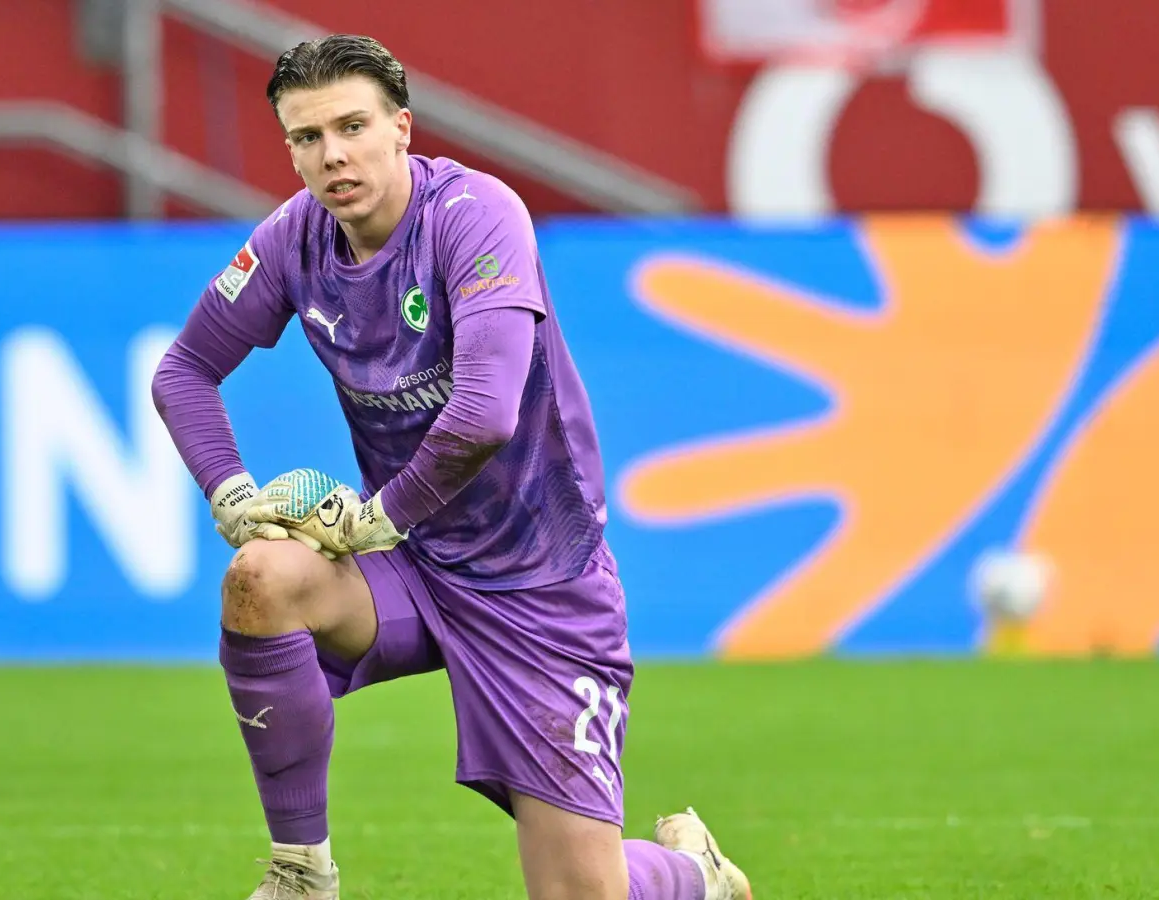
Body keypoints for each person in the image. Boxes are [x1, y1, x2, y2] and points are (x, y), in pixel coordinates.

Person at [151, 33, 752, 900]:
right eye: (307, 137)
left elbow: (484, 415)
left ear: (400, 127)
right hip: (412, 564)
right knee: (261, 578)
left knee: (582, 893)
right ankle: (301, 873)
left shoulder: (475, 216)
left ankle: (693, 874)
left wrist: (378, 516)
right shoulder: (292, 239)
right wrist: (230, 491)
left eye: (352, 127)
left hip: (536, 580)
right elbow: (183, 372)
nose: (333, 155)